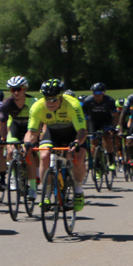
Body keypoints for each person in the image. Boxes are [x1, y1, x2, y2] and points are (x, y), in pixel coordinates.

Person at [25, 78, 87, 211]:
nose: (50, 102)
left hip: (73, 133)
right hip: (52, 134)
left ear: (61, 97)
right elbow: (31, 132)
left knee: (80, 156)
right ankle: (46, 194)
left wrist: (77, 142)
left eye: (54, 99)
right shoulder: (37, 107)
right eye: (47, 98)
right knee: (44, 155)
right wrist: (27, 143)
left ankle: (78, 191)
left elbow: (82, 130)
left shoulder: (73, 104)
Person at [0, 75, 37, 201]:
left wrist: (36, 137)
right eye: (13, 90)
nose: (17, 92)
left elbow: (39, 122)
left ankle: (33, 188)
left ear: (25, 89)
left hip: (30, 128)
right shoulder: (7, 103)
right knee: (11, 150)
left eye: (19, 89)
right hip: (15, 127)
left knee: (29, 154)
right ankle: (13, 175)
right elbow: (0, 122)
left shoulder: (32, 102)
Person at [80, 82, 119, 172]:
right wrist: (84, 129)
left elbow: (116, 115)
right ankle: (97, 165)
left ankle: (111, 160)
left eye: (98, 93)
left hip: (106, 120)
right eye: (94, 93)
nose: (96, 95)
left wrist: (114, 126)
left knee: (107, 138)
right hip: (93, 121)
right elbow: (84, 117)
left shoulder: (109, 100)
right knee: (94, 142)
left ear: (103, 93)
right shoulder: (88, 101)